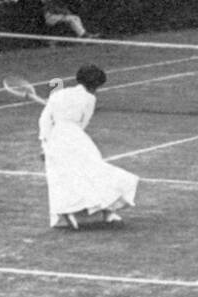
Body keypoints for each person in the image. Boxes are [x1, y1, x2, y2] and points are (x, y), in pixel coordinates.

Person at [39, 64, 138, 229]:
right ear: (95, 85)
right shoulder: (90, 99)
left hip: (57, 138)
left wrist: (44, 143)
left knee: (64, 177)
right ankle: (106, 212)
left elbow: (44, 120)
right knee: (95, 172)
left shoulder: (58, 93)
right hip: (76, 137)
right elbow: (83, 123)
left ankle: (75, 212)